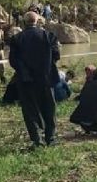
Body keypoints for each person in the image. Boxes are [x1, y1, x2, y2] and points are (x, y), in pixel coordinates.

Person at [9, 11, 61, 148]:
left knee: (30, 109)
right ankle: (50, 137)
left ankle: (36, 139)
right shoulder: (48, 36)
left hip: (26, 80)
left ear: (24, 22)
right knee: (49, 108)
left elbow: (13, 61)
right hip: (46, 77)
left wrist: (24, 71)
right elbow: (56, 55)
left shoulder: (16, 38)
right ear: (37, 21)